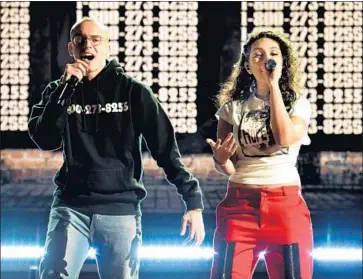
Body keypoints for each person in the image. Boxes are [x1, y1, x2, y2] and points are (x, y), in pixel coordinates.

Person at [28, 17, 205, 279]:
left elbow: (166, 149)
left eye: (96, 39)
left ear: (108, 47)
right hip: (70, 207)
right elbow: (46, 139)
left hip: (120, 209)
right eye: (80, 40)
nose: (88, 44)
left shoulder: (134, 92)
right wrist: (64, 91)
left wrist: (193, 203)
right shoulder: (57, 92)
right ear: (71, 49)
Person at [206, 29, 313, 279]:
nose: (266, 59)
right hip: (240, 203)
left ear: (283, 62)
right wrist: (220, 160)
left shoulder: (298, 104)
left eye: (273, 54)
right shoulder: (231, 109)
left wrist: (273, 86)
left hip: (285, 207)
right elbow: (229, 166)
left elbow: (285, 137)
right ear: (246, 64)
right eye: (258, 54)